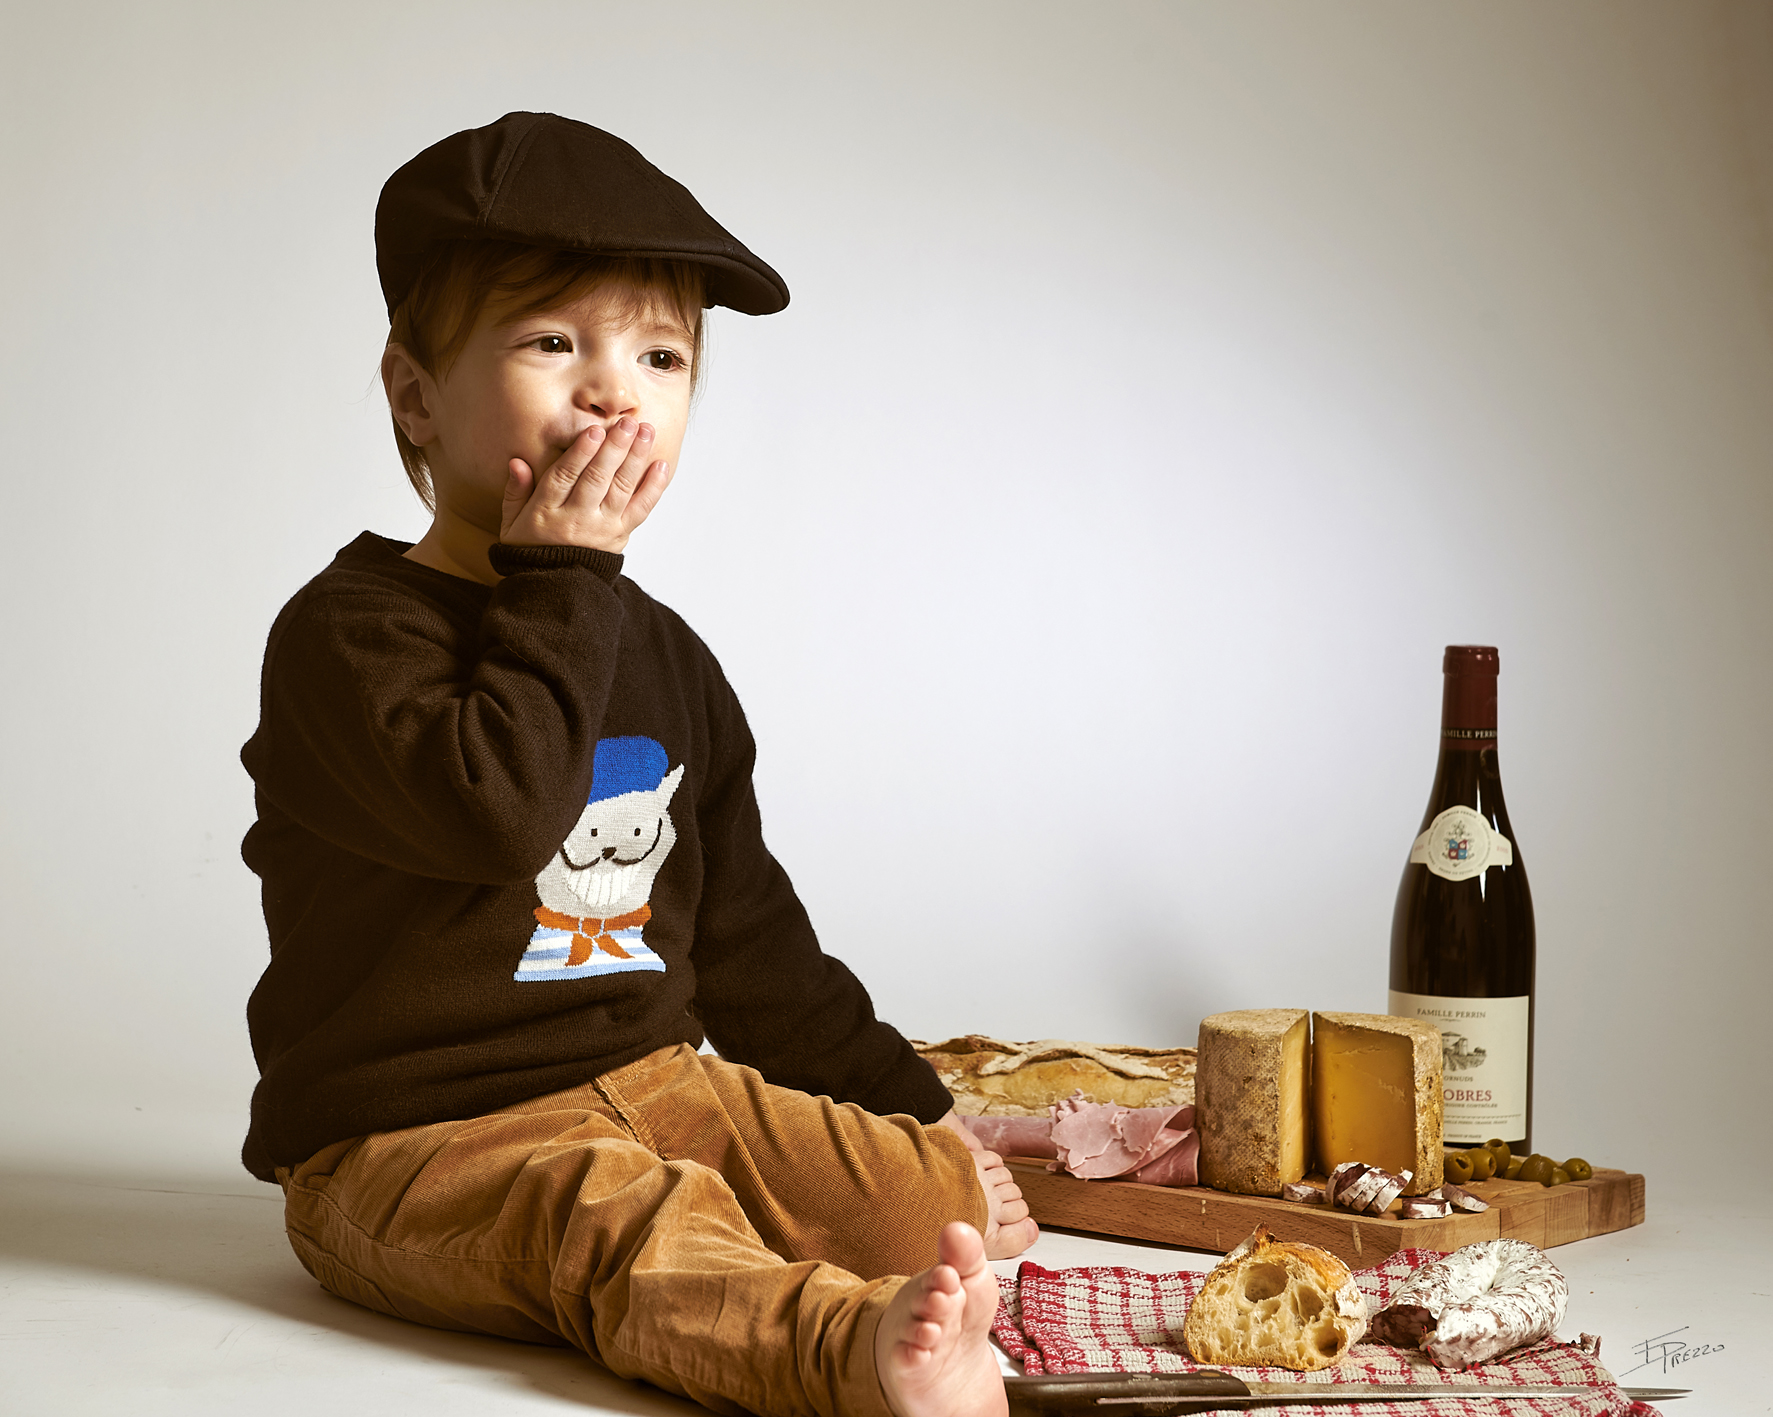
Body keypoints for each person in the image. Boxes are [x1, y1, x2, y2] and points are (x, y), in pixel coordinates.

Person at [238, 111, 1034, 1417]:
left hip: (659, 1084)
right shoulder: (347, 634)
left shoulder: (663, 654)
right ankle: (845, 1354)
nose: (615, 392)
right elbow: (496, 811)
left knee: (921, 1198)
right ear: (416, 393)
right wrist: (563, 571)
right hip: (417, 1136)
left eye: (661, 357)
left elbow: (751, 937)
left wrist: (918, 1109)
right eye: (554, 343)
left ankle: (897, 1239)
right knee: (621, 1220)